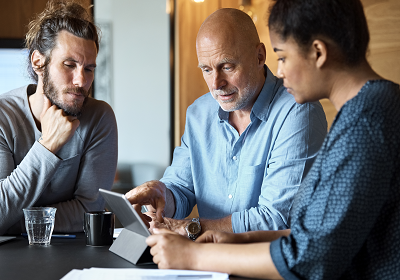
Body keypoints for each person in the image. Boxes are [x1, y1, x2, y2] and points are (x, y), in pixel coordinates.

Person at [145, 0, 400, 279]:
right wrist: (231, 240)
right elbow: (311, 233)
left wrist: (193, 255)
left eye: (282, 57)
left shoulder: (364, 123)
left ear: (318, 52)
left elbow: (309, 256)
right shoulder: (374, 107)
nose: (279, 71)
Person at [126, 8, 327, 237]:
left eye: (227, 67)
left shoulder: (299, 111)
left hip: (265, 266)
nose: (215, 83)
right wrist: (161, 196)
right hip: (205, 266)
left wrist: (193, 227)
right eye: (206, 69)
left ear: (259, 56)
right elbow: (180, 188)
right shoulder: (198, 114)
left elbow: (276, 219)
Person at [0, 0, 118, 235]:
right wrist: (48, 146)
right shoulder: (4, 117)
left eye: (89, 69)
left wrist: (14, 222)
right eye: (69, 65)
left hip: (76, 259)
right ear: (38, 62)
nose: (81, 81)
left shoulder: (100, 118)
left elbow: (90, 210)